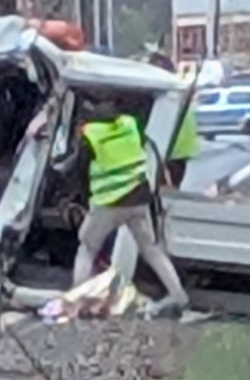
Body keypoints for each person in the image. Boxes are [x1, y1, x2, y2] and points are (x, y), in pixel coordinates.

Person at [65, 97, 190, 312]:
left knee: (86, 248)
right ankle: (179, 295)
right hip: (138, 200)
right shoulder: (130, 125)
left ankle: (77, 302)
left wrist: (78, 196)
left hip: (108, 203)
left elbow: (79, 170)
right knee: (150, 248)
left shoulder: (91, 135)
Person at [147, 51, 199, 190]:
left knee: (162, 190)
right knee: (170, 188)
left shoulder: (164, 95)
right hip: (179, 151)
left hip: (168, 152)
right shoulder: (177, 91)